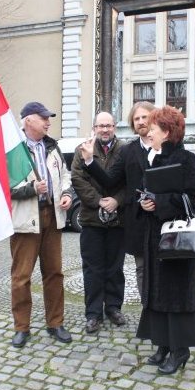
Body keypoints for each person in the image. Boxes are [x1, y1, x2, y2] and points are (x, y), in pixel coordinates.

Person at [83, 105, 195, 375]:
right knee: (156, 291)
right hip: (153, 238)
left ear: (166, 131)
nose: (148, 131)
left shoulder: (187, 159)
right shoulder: (154, 158)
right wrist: (145, 201)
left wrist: (159, 202)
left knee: (176, 293)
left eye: (153, 127)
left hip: (177, 240)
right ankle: (162, 344)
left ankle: (180, 350)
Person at [9, 102, 73, 348]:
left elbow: (64, 175)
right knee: (21, 277)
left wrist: (66, 193)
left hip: (52, 217)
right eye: (43, 118)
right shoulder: (14, 151)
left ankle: (55, 323)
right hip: (26, 220)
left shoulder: (52, 146)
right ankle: (21, 327)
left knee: (54, 273)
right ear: (27, 121)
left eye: (49, 118)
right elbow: (4, 187)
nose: (48, 122)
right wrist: (30, 189)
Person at [79, 101, 154, 297]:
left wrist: (117, 201)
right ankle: (148, 311)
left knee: (163, 269)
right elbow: (110, 180)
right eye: (136, 118)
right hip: (135, 219)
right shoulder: (128, 150)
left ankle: (164, 314)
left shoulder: (167, 145)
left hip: (162, 218)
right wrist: (89, 161)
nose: (140, 121)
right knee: (141, 269)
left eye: (144, 117)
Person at [71, 111, 127, 334]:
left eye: (109, 125)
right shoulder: (82, 149)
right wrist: (98, 201)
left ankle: (113, 307)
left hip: (118, 220)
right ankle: (93, 313)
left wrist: (117, 200)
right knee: (92, 269)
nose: (105, 129)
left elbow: (130, 180)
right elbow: (77, 178)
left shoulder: (124, 150)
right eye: (101, 126)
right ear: (94, 128)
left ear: (114, 127)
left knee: (115, 267)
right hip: (91, 220)